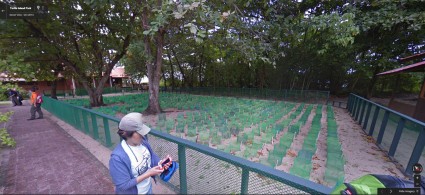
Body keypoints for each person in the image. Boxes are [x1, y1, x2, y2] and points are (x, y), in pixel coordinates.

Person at [109, 112, 173, 194]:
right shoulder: (117, 158)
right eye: (139, 132)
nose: (143, 135)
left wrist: (160, 163)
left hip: (148, 190)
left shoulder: (143, 142)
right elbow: (123, 185)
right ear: (127, 133)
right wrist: (148, 174)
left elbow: (151, 156)